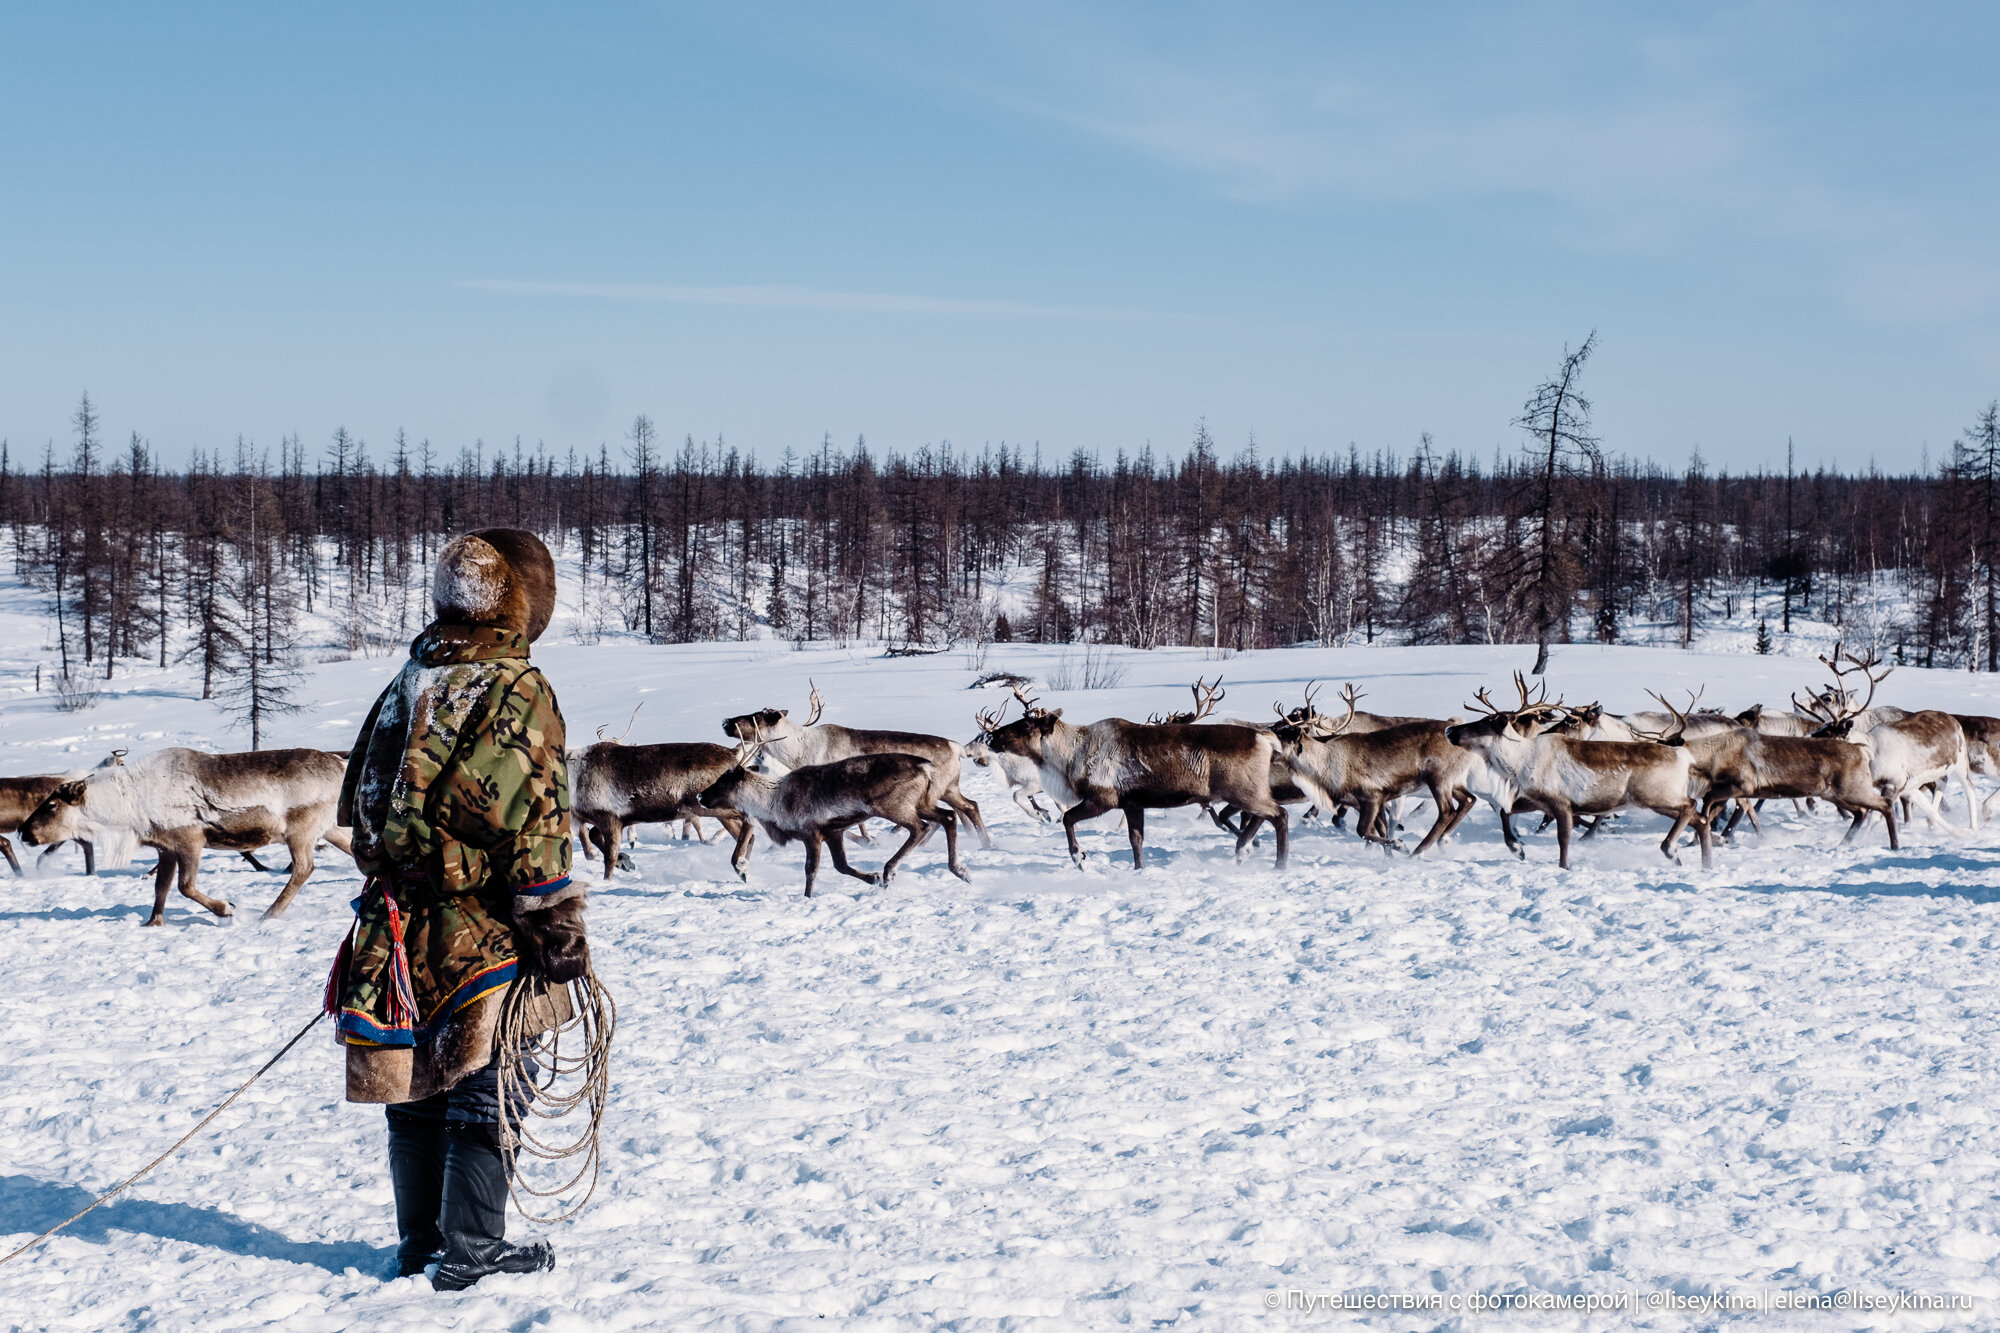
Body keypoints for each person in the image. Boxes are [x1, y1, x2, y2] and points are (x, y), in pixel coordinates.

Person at [326, 528, 589, 1291]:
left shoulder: (411, 676)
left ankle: (421, 1242)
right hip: (485, 924)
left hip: (396, 921)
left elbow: (361, 807)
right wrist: (553, 922)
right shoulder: (519, 687)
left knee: (415, 1079)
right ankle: (473, 1247)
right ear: (526, 603)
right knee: (491, 1074)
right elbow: (536, 821)